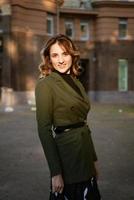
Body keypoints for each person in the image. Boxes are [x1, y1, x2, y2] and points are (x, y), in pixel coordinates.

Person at [35, 34, 101, 200]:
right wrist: (55, 172)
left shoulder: (76, 81)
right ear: (49, 59)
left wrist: (93, 160)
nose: (61, 60)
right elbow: (44, 130)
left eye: (65, 54)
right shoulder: (45, 85)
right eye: (55, 55)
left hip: (84, 153)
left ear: (72, 55)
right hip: (67, 157)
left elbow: (83, 124)